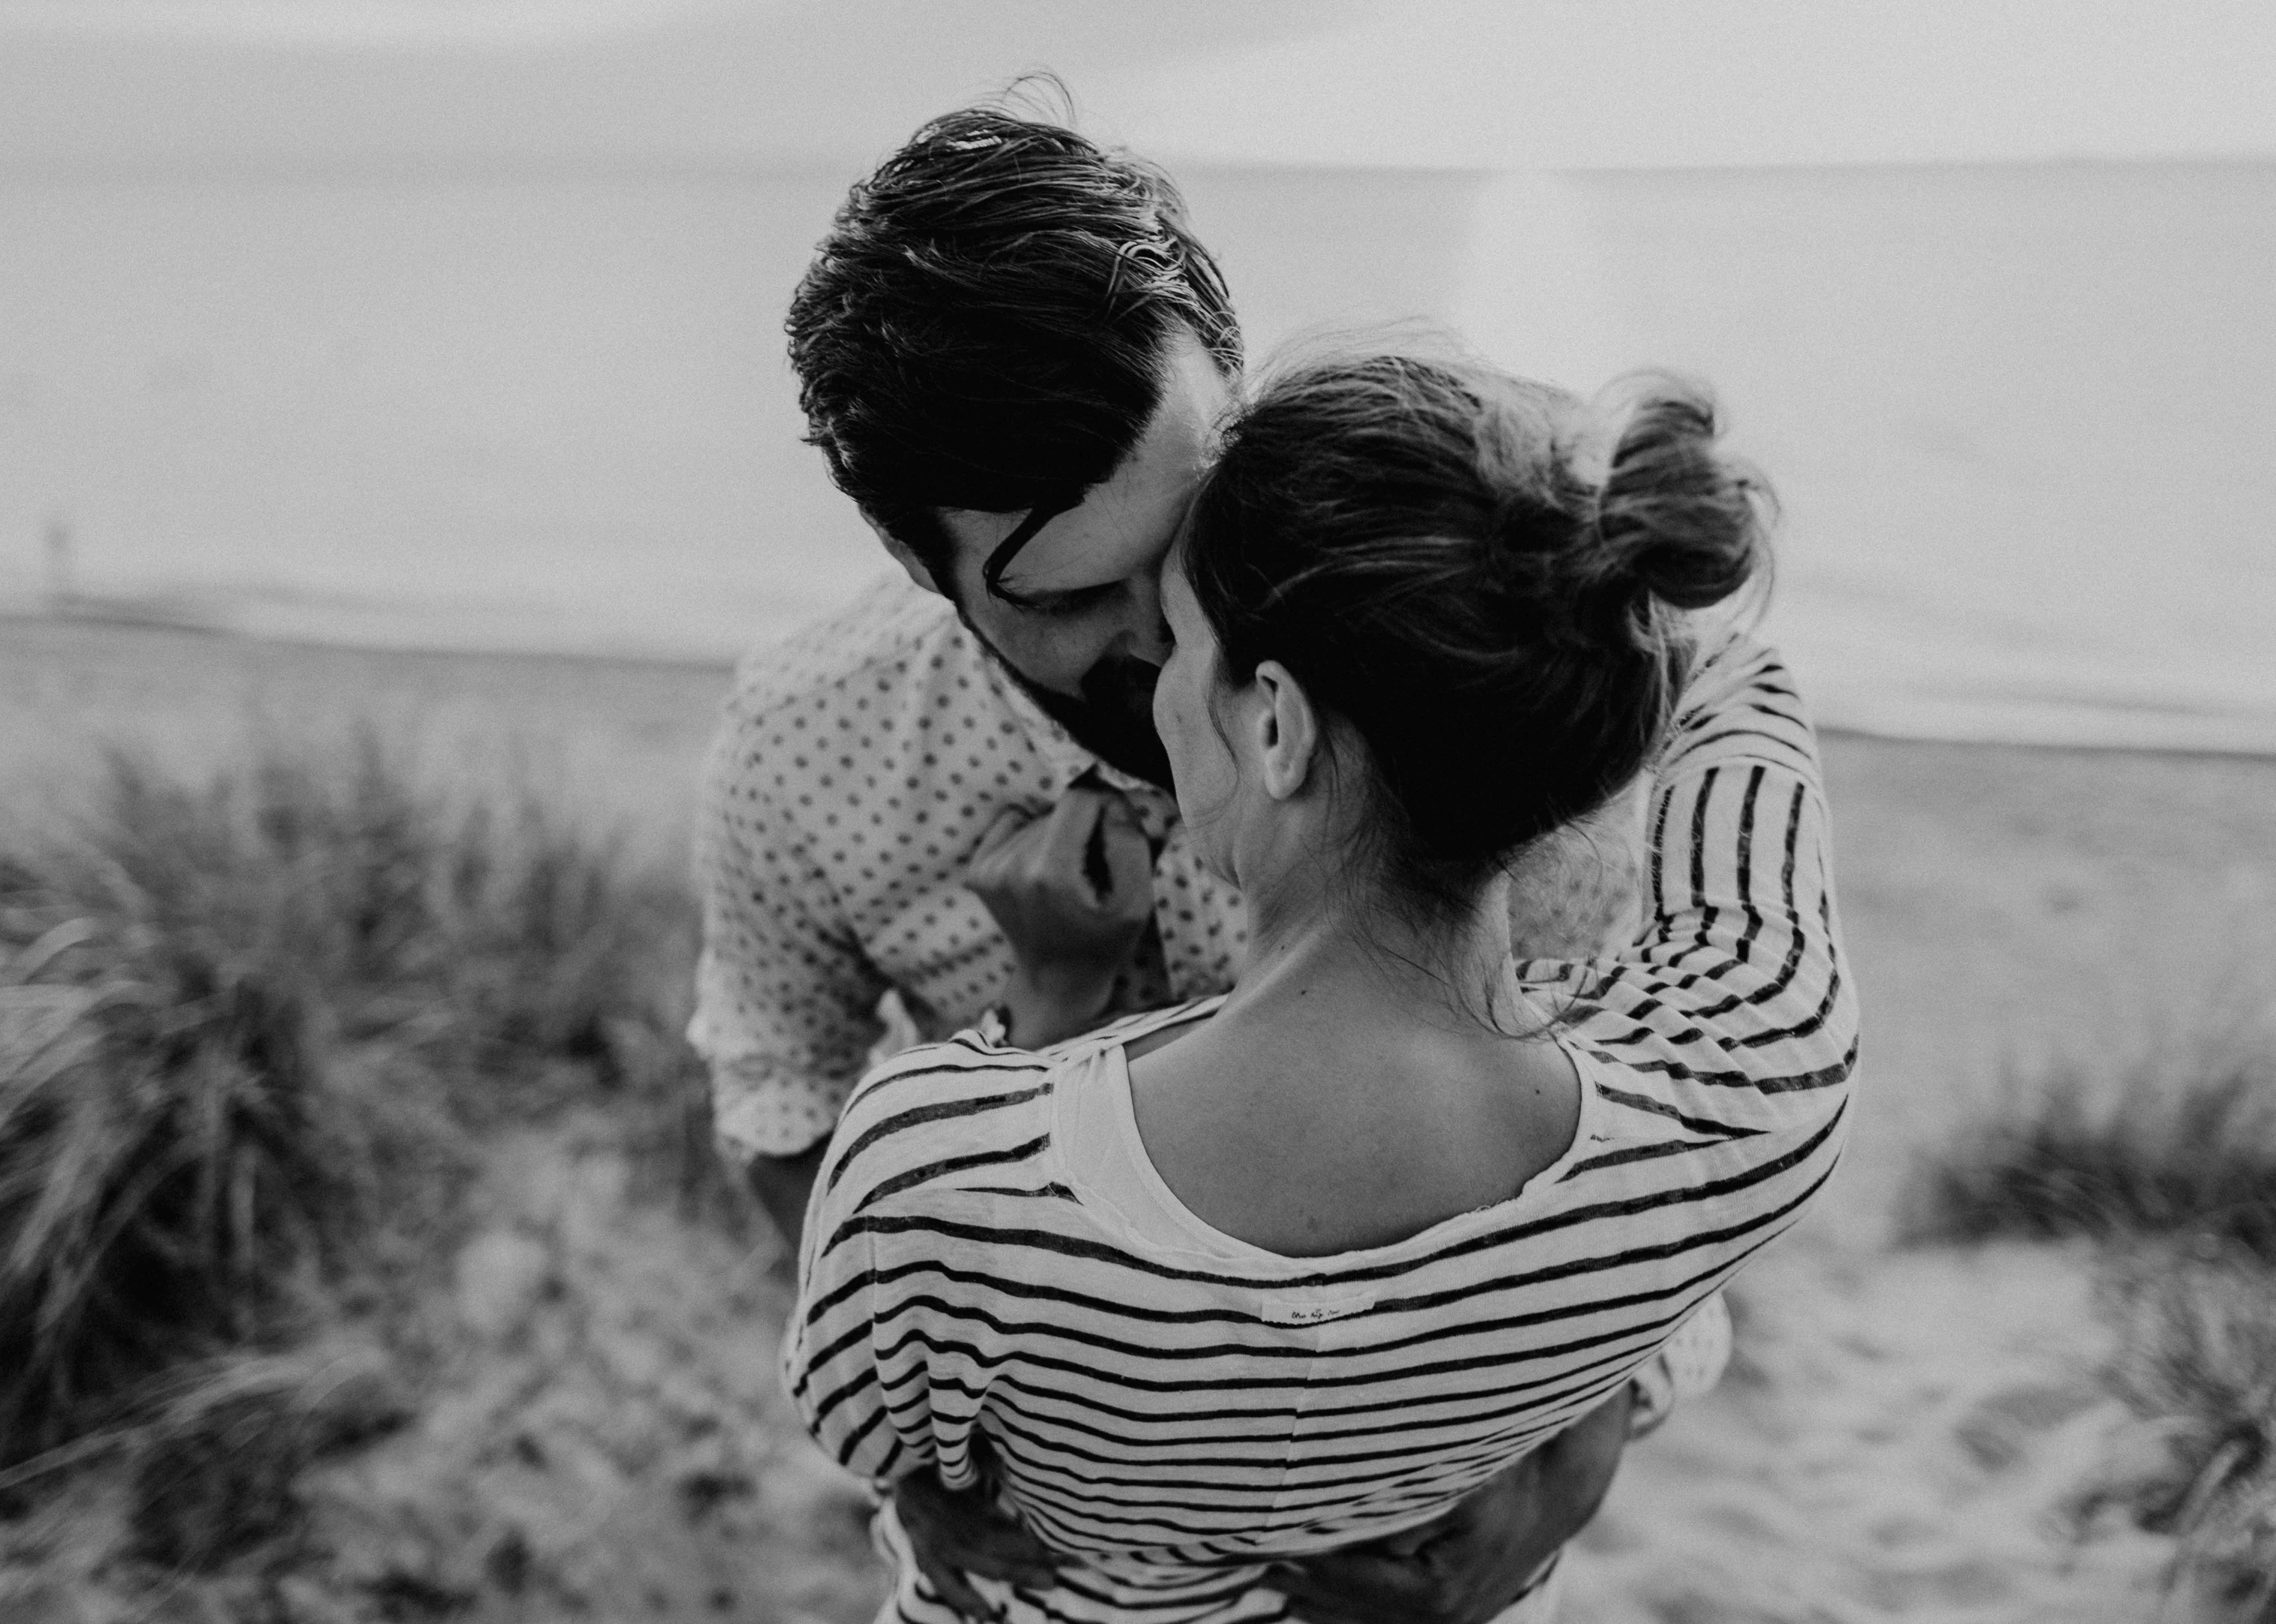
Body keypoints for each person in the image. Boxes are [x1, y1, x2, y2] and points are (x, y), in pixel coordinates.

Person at [696, 105, 1678, 1621]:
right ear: (915, 560)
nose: (1178, 626)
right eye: (1090, 593)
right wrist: (908, 1449)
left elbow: (1634, 1099)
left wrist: (1578, 1457)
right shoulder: (806, 746)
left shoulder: (1447, 668)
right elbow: (778, 1099)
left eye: (1195, 521)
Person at [784, 350, 1856, 1622]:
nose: (1153, 686)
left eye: (1180, 642)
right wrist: (1547, 562)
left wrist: (1049, 1015)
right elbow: (1730, 668)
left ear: (1278, 725)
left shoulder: (938, 1175)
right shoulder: (1748, 1097)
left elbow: (867, 1439)